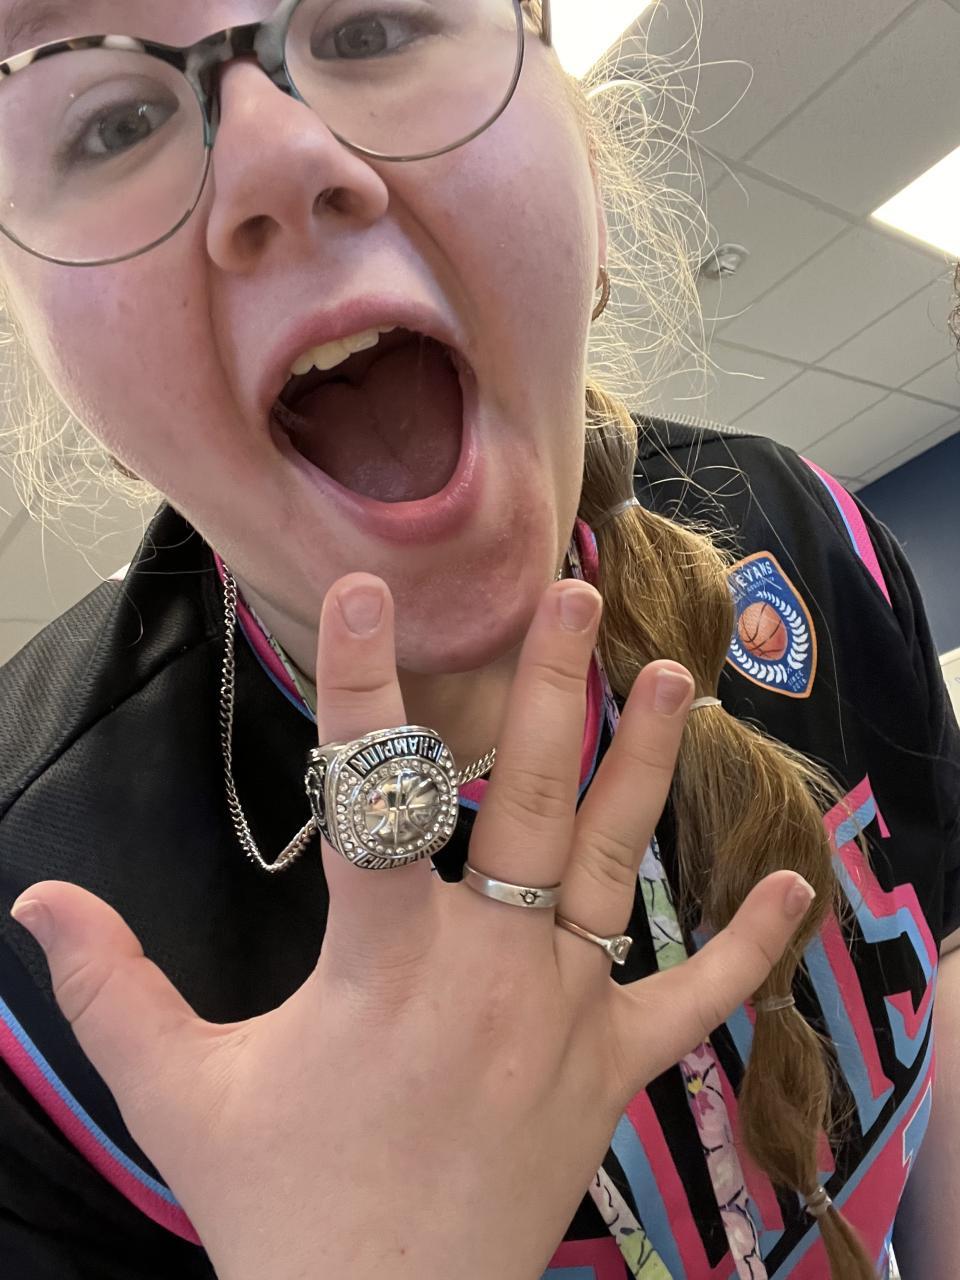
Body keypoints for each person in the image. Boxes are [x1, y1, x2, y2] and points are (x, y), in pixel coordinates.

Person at [0, 2, 956, 1277]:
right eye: (114, 123)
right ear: (84, 396)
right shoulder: (35, 947)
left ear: (589, 188)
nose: (279, 156)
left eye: (373, 23)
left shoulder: (808, 534)